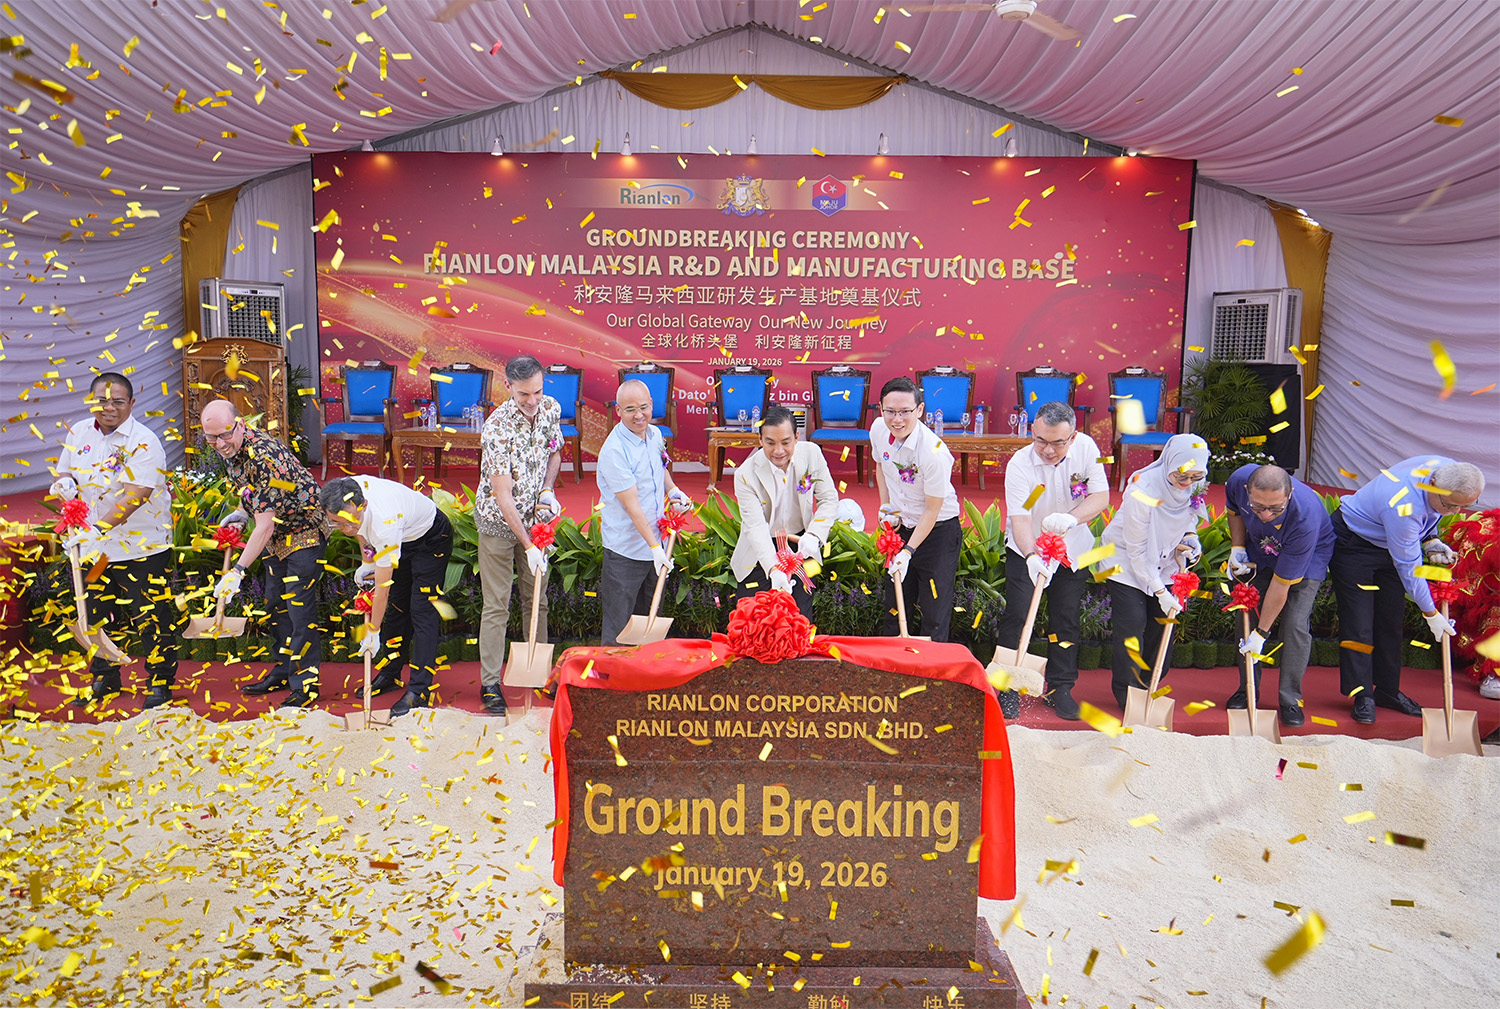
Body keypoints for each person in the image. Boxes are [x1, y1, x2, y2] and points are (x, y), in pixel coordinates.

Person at [51, 372, 181, 709]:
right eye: (102, 400)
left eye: (118, 401)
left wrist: (97, 529)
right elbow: (66, 471)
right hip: (96, 553)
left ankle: (160, 682)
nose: (109, 407)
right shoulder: (79, 432)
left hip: (140, 548)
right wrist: (65, 485)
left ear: (131, 403)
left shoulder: (143, 441)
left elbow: (135, 495)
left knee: (150, 614)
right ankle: (104, 677)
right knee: (93, 611)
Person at [1331, 457, 1484, 724]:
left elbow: (1432, 514)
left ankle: (1387, 691)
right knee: (1359, 621)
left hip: (1391, 539)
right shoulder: (1404, 506)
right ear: (1433, 484)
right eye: (1451, 505)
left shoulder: (1448, 469)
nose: (1456, 511)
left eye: (1464, 506)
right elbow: (1411, 571)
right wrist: (1431, 614)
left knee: (1391, 619)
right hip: (1355, 542)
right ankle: (1362, 695)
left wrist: (1431, 539)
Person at [200, 399, 325, 709]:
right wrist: (242, 512)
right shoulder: (232, 448)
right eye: (211, 438)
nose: (219, 444)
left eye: (225, 435)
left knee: (298, 610)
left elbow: (265, 526)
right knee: (275, 604)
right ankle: (283, 671)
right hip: (276, 532)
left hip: (304, 530)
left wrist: (237, 572)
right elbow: (250, 490)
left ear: (240, 424)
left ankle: (305, 686)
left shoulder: (265, 456)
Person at [996, 401, 1110, 720]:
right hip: (1027, 547)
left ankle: (1060, 687)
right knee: (1017, 615)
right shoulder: (1020, 464)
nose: (1048, 450)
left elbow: (1100, 496)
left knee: (1066, 618)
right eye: (1041, 440)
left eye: (1057, 443)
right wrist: (1031, 555)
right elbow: (1020, 517)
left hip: (1071, 548)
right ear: (1033, 431)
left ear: (1073, 437)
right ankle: (1007, 688)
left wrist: (1071, 519)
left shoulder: (1087, 449)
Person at [321, 475, 453, 717]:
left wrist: (373, 630)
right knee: (398, 607)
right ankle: (391, 673)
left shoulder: (385, 524)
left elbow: (383, 589)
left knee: (422, 609)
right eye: (336, 523)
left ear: (363, 505)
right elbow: (360, 530)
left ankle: (419, 690)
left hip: (431, 538)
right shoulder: (345, 492)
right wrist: (367, 561)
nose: (346, 529)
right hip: (402, 536)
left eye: (349, 522)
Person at [476, 355, 562, 715]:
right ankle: (490, 683)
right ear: (508, 386)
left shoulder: (551, 408)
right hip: (498, 522)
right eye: (524, 394)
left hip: (536, 521)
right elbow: (503, 495)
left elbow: (555, 452)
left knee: (537, 600)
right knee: (497, 604)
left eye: (537, 391)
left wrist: (547, 490)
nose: (532, 400)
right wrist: (528, 545)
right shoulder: (496, 428)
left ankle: (539, 673)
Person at [1099, 434, 1211, 709]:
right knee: (1133, 624)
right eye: (1181, 476)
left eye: (1195, 477)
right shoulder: (1143, 489)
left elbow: (1189, 518)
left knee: (1162, 626)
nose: (1187, 482)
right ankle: (1127, 693)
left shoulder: (1194, 482)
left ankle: (1147, 686)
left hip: (1164, 560)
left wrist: (1190, 538)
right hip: (1125, 560)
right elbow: (1137, 551)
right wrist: (1160, 591)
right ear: (1170, 462)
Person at [1223, 464, 1335, 727]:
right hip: (1262, 546)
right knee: (1246, 611)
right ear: (1247, 490)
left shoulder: (1305, 517)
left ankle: (1290, 699)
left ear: (1289, 494)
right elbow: (1234, 510)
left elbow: (1281, 584)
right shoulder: (1237, 480)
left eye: (1275, 509)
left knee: (1294, 624)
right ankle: (1247, 688)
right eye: (1258, 507)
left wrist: (1262, 634)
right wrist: (1237, 547)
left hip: (1308, 553)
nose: (1265, 515)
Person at [596, 379, 694, 645]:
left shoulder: (655, 435)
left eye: (643, 407)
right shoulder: (615, 450)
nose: (639, 415)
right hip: (626, 551)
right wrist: (655, 548)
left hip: (655, 545)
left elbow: (661, 468)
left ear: (652, 404)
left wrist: (674, 491)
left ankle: (645, 670)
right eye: (630, 409)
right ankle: (613, 671)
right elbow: (632, 506)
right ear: (618, 410)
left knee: (650, 625)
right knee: (619, 630)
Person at [870, 377, 961, 641]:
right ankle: (892, 661)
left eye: (905, 412)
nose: (897, 419)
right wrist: (886, 506)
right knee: (895, 605)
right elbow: (880, 466)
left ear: (919, 410)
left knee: (934, 611)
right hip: (901, 526)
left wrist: (908, 551)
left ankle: (931, 664)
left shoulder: (934, 453)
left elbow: (932, 509)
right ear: (881, 408)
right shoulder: (878, 429)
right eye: (890, 411)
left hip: (937, 533)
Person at [730, 404, 840, 618]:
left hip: (802, 544)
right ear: (760, 440)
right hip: (760, 549)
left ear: (797, 437)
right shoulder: (745, 474)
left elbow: (829, 499)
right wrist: (773, 568)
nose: (778, 451)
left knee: (800, 619)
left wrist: (814, 536)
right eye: (770, 443)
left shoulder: (812, 454)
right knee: (754, 621)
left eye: (786, 442)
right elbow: (755, 527)